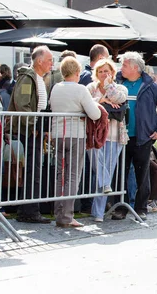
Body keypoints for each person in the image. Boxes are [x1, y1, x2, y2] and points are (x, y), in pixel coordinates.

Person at [111, 52, 157, 221]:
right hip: (119, 137)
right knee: (119, 174)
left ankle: (141, 208)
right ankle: (120, 208)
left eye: (124, 65)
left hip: (142, 137)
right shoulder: (117, 82)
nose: (120, 68)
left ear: (135, 68)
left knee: (142, 174)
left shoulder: (151, 86)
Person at [49, 57, 101, 228]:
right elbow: (95, 114)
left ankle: (59, 213)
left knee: (60, 175)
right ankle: (67, 216)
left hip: (58, 134)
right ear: (78, 73)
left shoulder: (56, 87)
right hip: (75, 135)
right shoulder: (80, 89)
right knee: (72, 175)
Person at [7, 46, 54, 224]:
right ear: (39, 61)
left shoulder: (39, 77)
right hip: (30, 128)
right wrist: (33, 125)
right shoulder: (28, 77)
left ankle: (28, 209)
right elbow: (23, 104)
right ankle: (29, 210)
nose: (52, 63)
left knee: (35, 170)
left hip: (35, 127)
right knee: (33, 170)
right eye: (49, 60)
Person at [87, 58, 128, 222]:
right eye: (101, 71)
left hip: (114, 136)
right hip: (94, 136)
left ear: (113, 72)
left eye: (107, 71)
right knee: (102, 173)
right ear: (96, 73)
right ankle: (99, 202)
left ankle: (97, 213)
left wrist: (108, 87)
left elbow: (119, 98)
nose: (104, 74)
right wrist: (100, 101)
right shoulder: (90, 88)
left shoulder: (120, 87)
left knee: (106, 173)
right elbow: (84, 102)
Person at [78, 45, 110, 214]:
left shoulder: (83, 76)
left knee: (91, 166)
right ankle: (88, 204)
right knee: (91, 166)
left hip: (92, 130)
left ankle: (88, 203)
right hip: (90, 129)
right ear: (99, 59)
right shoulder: (87, 79)